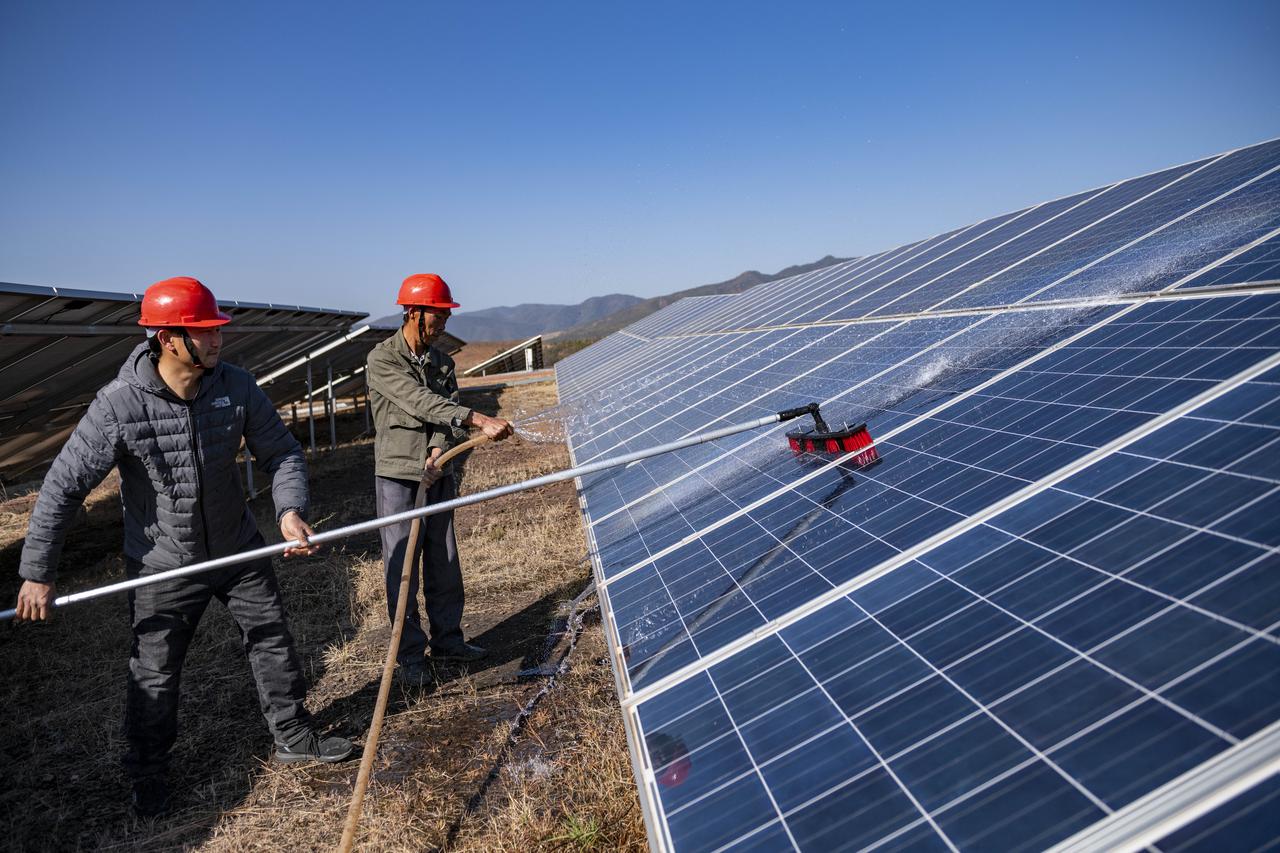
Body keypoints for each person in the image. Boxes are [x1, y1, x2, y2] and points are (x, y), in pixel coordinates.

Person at [13, 276, 353, 818]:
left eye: (216, 328)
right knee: (155, 669)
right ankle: (148, 774)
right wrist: (38, 571)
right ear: (168, 338)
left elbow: (283, 453)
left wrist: (289, 512)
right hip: (163, 564)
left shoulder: (236, 387)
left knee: (271, 639)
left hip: (237, 548)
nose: (218, 339)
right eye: (204, 331)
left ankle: (292, 735)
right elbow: (63, 486)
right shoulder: (119, 406)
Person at [365, 273, 513, 685]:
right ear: (414, 313)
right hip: (398, 475)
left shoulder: (443, 362)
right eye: (439, 313)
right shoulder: (382, 360)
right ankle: (409, 656)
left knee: (444, 559)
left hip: (438, 469)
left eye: (447, 313)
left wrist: (436, 449)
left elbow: (442, 411)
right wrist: (477, 419)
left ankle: (448, 640)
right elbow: (417, 400)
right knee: (403, 565)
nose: (445, 321)